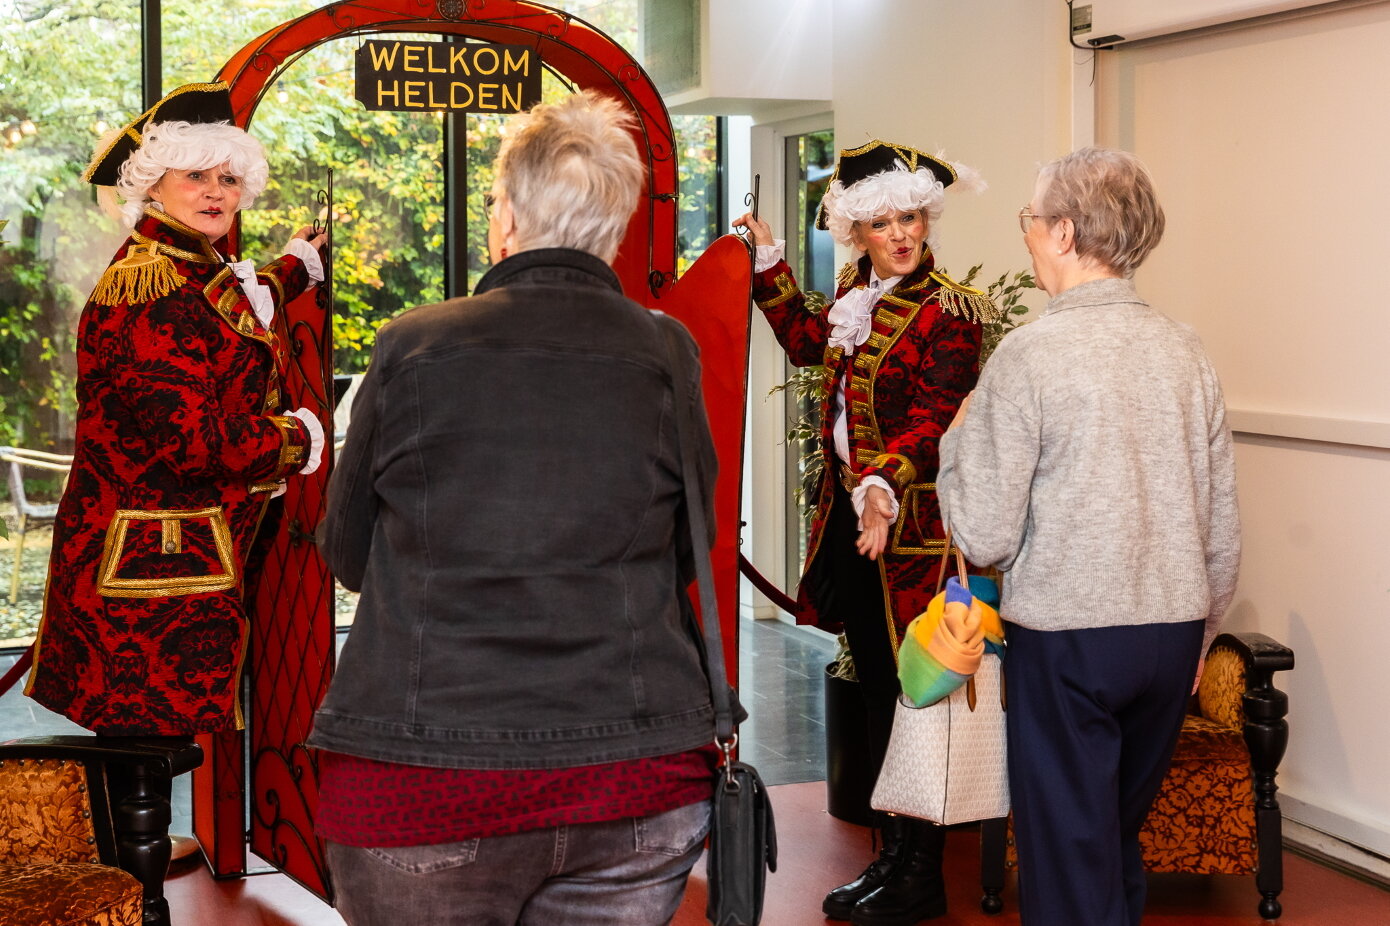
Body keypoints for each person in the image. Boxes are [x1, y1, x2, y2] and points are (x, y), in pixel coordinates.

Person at [307, 90, 726, 926]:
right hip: (634, 774)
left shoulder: (411, 344)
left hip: (425, 773)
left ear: (506, 218)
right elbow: (693, 547)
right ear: (614, 227)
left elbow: (346, 552)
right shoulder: (666, 350)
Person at [936, 147, 1241, 926]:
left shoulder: (1030, 355)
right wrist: (1202, 632)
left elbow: (984, 531)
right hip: (1171, 638)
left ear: (1065, 233)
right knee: (1107, 845)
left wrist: (954, 445)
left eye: (1032, 221)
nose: (1028, 237)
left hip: (1070, 642)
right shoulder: (1187, 351)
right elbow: (1221, 521)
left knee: (1070, 866)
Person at [734, 141, 996, 926]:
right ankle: (892, 858)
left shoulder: (948, 311)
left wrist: (881, 484)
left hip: (910, 537)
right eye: (883, 222)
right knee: (878, 697)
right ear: (857, 232)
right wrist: (770, 263)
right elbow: (812, 342)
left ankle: (921, 872)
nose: (902, 234)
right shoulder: (856, 293)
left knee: (914, 702)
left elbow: (933, 419)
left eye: (910, 216)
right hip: (855, 526)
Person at [26, 81, 326, 736]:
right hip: (145, 577)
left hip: (168, 563)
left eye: (228, 176)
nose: (216, 191)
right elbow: (198, 444)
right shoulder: (150, 286)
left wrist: (292, 268)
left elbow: (227, 306)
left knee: (153, 763)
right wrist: (298, 440)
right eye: (196, 175)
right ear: (153, 185)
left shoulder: (186, 264)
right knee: (144, 758)